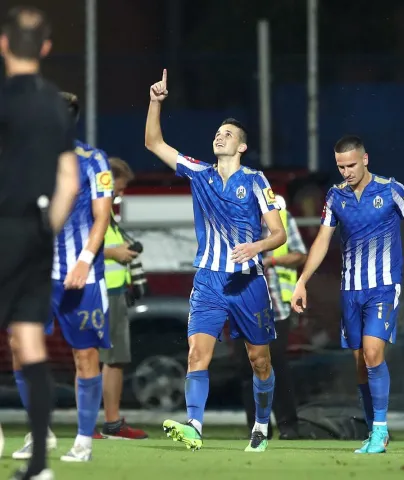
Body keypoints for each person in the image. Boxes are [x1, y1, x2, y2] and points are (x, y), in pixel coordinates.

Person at [145, 69, 286, 452]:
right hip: (208, 280)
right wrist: (156, 102)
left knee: (259, 361)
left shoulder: (256, 181)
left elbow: (279, 233)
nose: (219, 136)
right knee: (197, 353)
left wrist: (257, 248)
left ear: (241, 147)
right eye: (218, 133)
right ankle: (194, 425)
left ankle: (260, 425)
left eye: (228, 134)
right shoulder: (200, 173)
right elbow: (154, 142)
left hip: (248, 283)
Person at [291, 135, 404, 454]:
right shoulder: (336, 197)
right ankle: (374, 426)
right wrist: (302, 281)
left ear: (365, 160)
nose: (346, 171)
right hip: (350, 290)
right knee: (360, 362)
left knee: (373, 352)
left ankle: (379, 430)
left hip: (383, 287)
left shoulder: (393, 190)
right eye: (340, 166)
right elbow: (322, 241)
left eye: (351, 165)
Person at [10, 91, 113, 463]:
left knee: (84, 355)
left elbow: (102, 216)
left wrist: (85, 260)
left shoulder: (93, 160)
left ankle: (84, 440)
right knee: (21, 350)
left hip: (79, 275)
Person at [0, 7, 79, 480]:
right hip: (36, 230)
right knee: (29, 341)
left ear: (3, 44)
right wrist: (45, 227)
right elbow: (68, 182)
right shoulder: (56, 103)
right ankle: (40, 466)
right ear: (46, 48)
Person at [235, 194, 307, 439]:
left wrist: (272, 260)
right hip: (243, 305)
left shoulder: (283, 220)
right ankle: (257, 428)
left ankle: (289, 426)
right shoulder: (238, 224)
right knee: (248, 368)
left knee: (276, 363)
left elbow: (300, 254)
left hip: (277, 306)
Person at [94, 157, 148, 439]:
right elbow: (78, 246)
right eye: (120, 187)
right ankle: (88, 425)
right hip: (97, 292)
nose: (121, 193)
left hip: (116, 292)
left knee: (115, 360)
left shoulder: (108, 214)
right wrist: (113, 253)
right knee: (91, 357)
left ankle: (112, 424)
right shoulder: (91, 210)